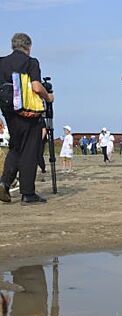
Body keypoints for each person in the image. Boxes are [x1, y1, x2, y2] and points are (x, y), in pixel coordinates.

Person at [0, 33, 54, 205]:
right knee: (30, 150)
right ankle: (28, 193)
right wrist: (49, 97)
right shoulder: (31, 62)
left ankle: (4, 183)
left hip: (8, 111)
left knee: (16, 147)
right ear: (28, 47)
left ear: (12, 46)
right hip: (28, 113)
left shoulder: (1, 62)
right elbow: (37, 87)